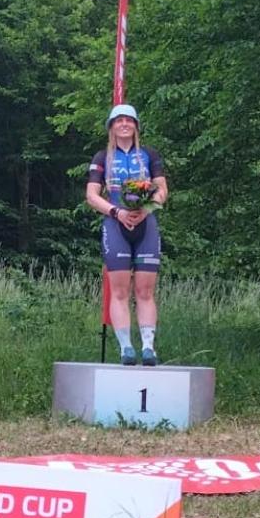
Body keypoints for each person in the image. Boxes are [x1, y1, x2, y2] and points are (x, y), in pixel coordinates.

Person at [86, 104, 168, 366]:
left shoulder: (149, 154)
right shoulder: (102, 157)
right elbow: (91, 195)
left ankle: (148, 347)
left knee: (145, 290)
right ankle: (126, 349)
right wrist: (116, 212)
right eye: (119, 120)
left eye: (129, 120)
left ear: (136, 126)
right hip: (115, 224)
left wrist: (146, 210)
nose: (124, 124)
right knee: (119, 290)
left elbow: (162, 191)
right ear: (111, 127)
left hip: (146, 223)